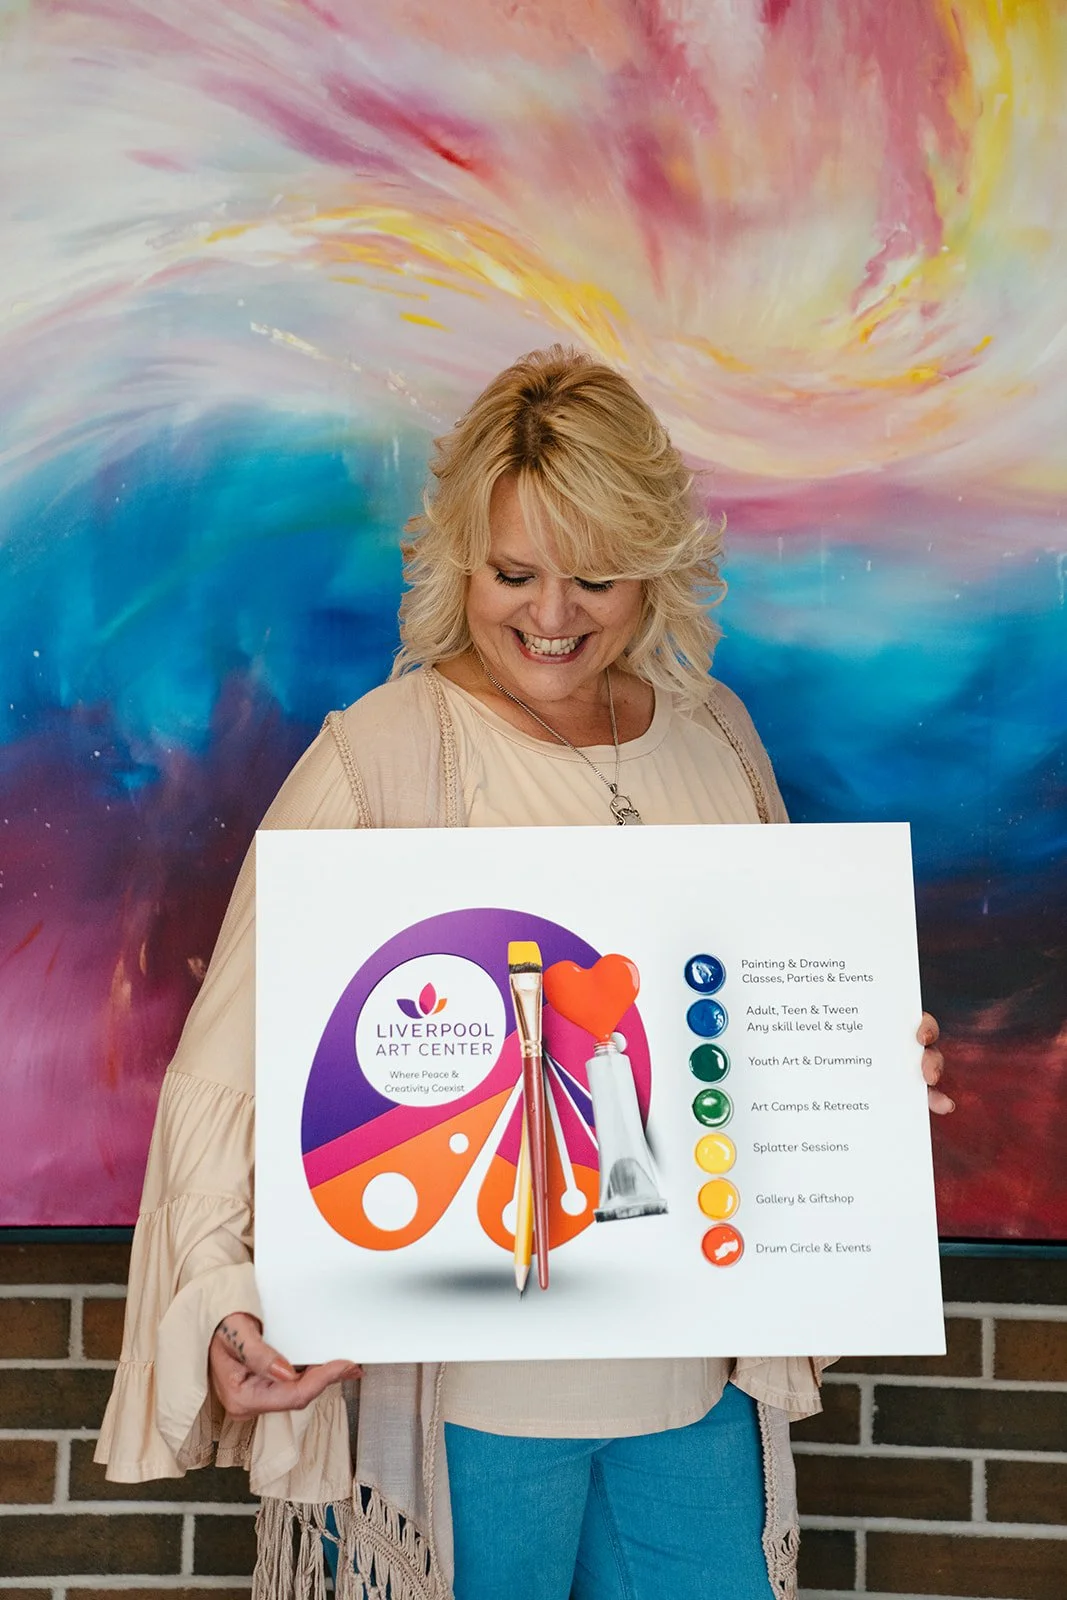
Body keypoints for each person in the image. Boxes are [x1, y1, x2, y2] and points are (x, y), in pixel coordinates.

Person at [96, 347, 952, 1600]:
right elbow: (226, 1073)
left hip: (692, 1395)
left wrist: (864, 1063)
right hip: (469, 1418)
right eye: (513, 573)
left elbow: (750, 1018)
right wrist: (228, 1303)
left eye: (594, 574)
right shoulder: (378, 758)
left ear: (652, 563)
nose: (552, 614)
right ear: (459, 562)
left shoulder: (715, 737)